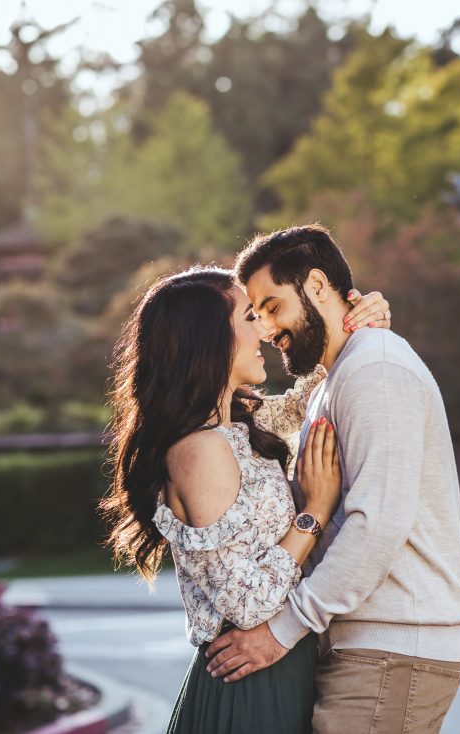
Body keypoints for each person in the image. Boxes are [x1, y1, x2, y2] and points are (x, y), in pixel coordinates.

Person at [205, 225, 460, 734]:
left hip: (395, 648)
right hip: (368, 646)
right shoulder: (338, 378)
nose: (266, 328)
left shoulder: (375, 370)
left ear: (315, 286)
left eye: (271, 306)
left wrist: (281, 631)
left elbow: (377, 524)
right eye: (256, 314)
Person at [98, 265, 392, 734]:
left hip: (280, 668)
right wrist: (312, 513)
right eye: (251, 318)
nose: (267, 330)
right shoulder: (198, 450)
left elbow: (307, 400)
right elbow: (246, 604)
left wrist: (355, 323)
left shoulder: (237, 426)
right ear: (208, 339)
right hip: (250, 685)